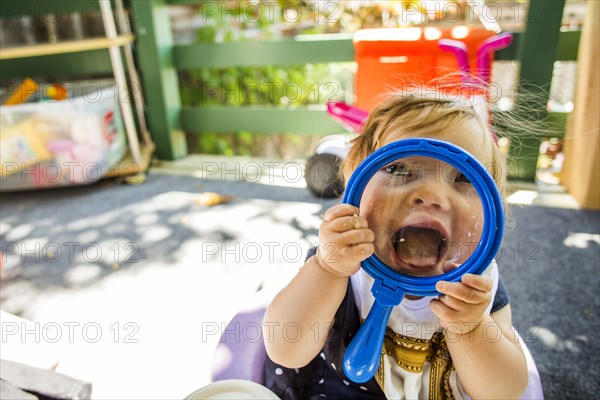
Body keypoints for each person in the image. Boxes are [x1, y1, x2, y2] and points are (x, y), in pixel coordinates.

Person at [262, 89, 529, 400]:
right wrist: (327, 269)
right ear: (356, 184)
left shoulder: (477, 287)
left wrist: (471, 328)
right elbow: (285, 349)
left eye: (462, 177)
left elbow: (505, 392)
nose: (430, 194)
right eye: (398, 168)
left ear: (490, 209)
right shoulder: (338, 261)